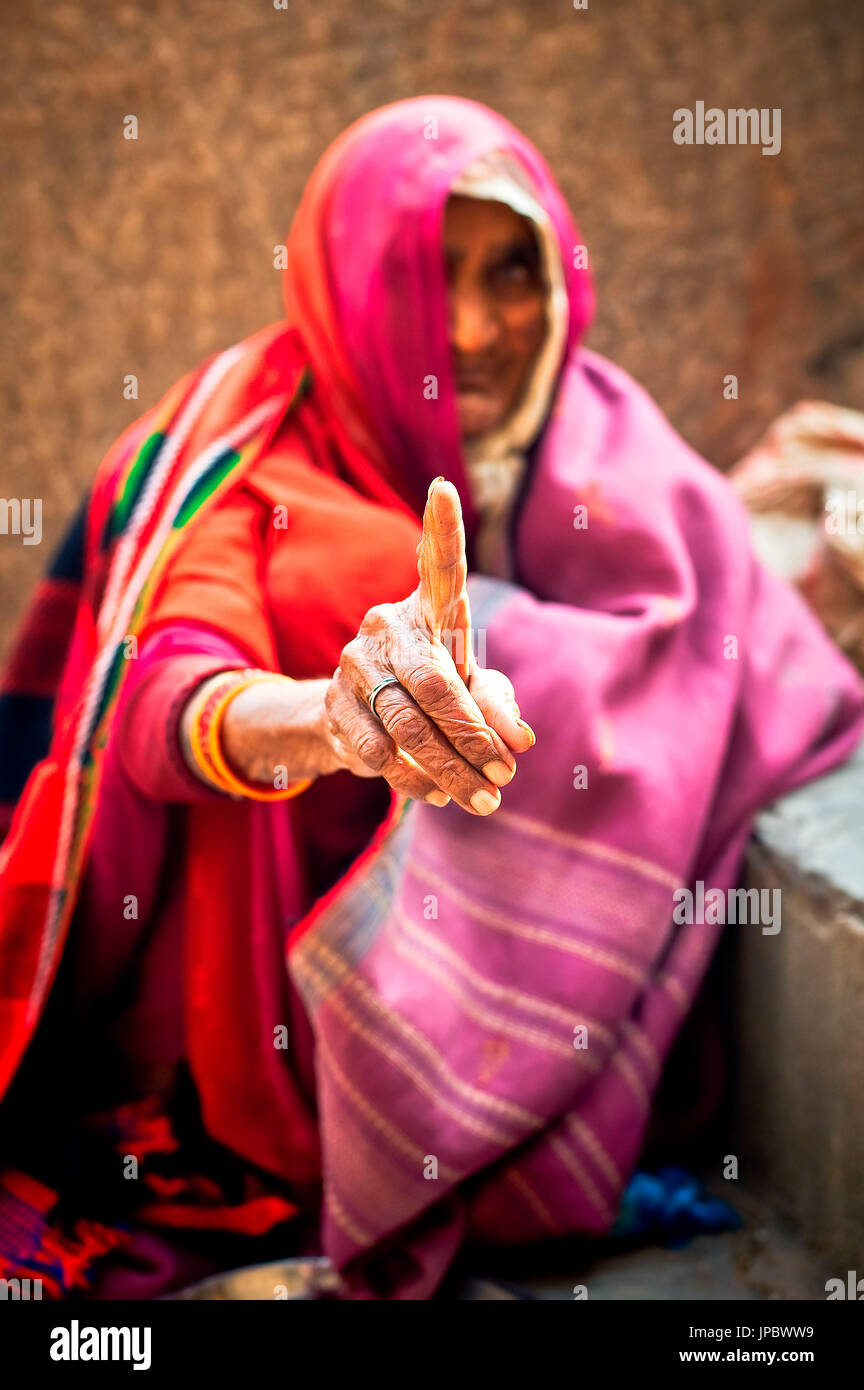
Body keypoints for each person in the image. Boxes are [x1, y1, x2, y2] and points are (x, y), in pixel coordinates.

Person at [1, 96, 862, 1301]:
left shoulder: (600, 431)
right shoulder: (251, 462)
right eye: (423, 272)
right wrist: (324, 721)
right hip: (260, 1057)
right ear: (351, 283)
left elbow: (754, 658)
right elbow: (161, 695)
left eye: (512, 269)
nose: (477, 325)